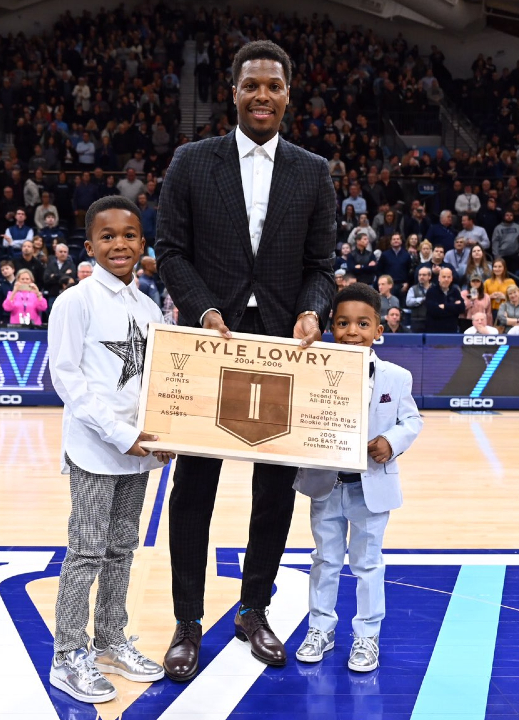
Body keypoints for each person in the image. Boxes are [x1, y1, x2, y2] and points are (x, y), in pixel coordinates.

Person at [155, 39, 336, 680]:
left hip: (285, 349)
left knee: (273, 492)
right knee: (194, 489)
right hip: (211, 343)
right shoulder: (191, 161)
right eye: (251, 85)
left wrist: (313, 312)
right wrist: (204, 310)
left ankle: (253, 608)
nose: (263, 95)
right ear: (232, 91)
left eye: (274, 86)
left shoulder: (313, 170)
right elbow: (171, 250)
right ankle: (185, 620)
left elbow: (321, 267)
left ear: (289, 94)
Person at [46, 196, 170, 703]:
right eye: (107, 236)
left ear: (143, 243)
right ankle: (67, 654)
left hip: (138, 455)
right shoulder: (75, 301)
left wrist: (166, 435)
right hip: (96, 452)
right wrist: (120, 435)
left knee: (122, 549)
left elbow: (163, 383)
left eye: (129, 235)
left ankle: (111, 640)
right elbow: (67, 379)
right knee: (86, 552)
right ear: (90, 245)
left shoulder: (148, 307)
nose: (119, 243)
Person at [292, 282, 422, 672]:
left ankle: (367, 635)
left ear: (379, 330)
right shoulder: (311, 371)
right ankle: (320, 628)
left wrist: (392, 441)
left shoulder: (396, 377)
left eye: (363, 324)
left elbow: (412, 420)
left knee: (368, 564)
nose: (352, 331)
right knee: (325, 560)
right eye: (343, 323)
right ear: (331, 327)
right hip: (326, 483)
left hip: (371, 485)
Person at [421, 266, 465, 333]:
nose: (446, 279)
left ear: (452, 278)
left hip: (451, 330)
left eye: (448, 277)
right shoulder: (431, 291)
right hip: (434, 330)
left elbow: (461, 308)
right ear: (439, 278)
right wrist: (453, 307)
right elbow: (433, 311)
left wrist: (444, 306)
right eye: (444, 277)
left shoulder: (455, 291)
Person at [404, 266, 432, 332]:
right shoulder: (413, 289)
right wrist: (422, 299)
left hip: (431, 321)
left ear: (429, 277)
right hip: (417, 321)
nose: (421, 277)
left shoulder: (434, 289)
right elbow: (408, 302)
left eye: (424, 275)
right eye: (419, 275)